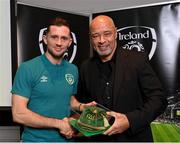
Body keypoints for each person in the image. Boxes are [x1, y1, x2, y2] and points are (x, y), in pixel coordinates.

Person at [76, 15, 167, 142]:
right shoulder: (85, 67)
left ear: (115, 34)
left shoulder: (137, 60)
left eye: (107, 34)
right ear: (91, 38)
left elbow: (159, 99)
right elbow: (83, 104)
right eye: (96, 36)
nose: (101, 40)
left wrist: (129, 120)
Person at [11, 17, 96, 142]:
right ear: (45, 39)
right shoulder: (27, 68)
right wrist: (58, 123)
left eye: (64, 38)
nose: (59, 43)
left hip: (67, 139)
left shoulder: (73, 69)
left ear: (70, 42)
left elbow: (69, 99)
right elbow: (18, 114)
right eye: (54, 37)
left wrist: (82, 107)